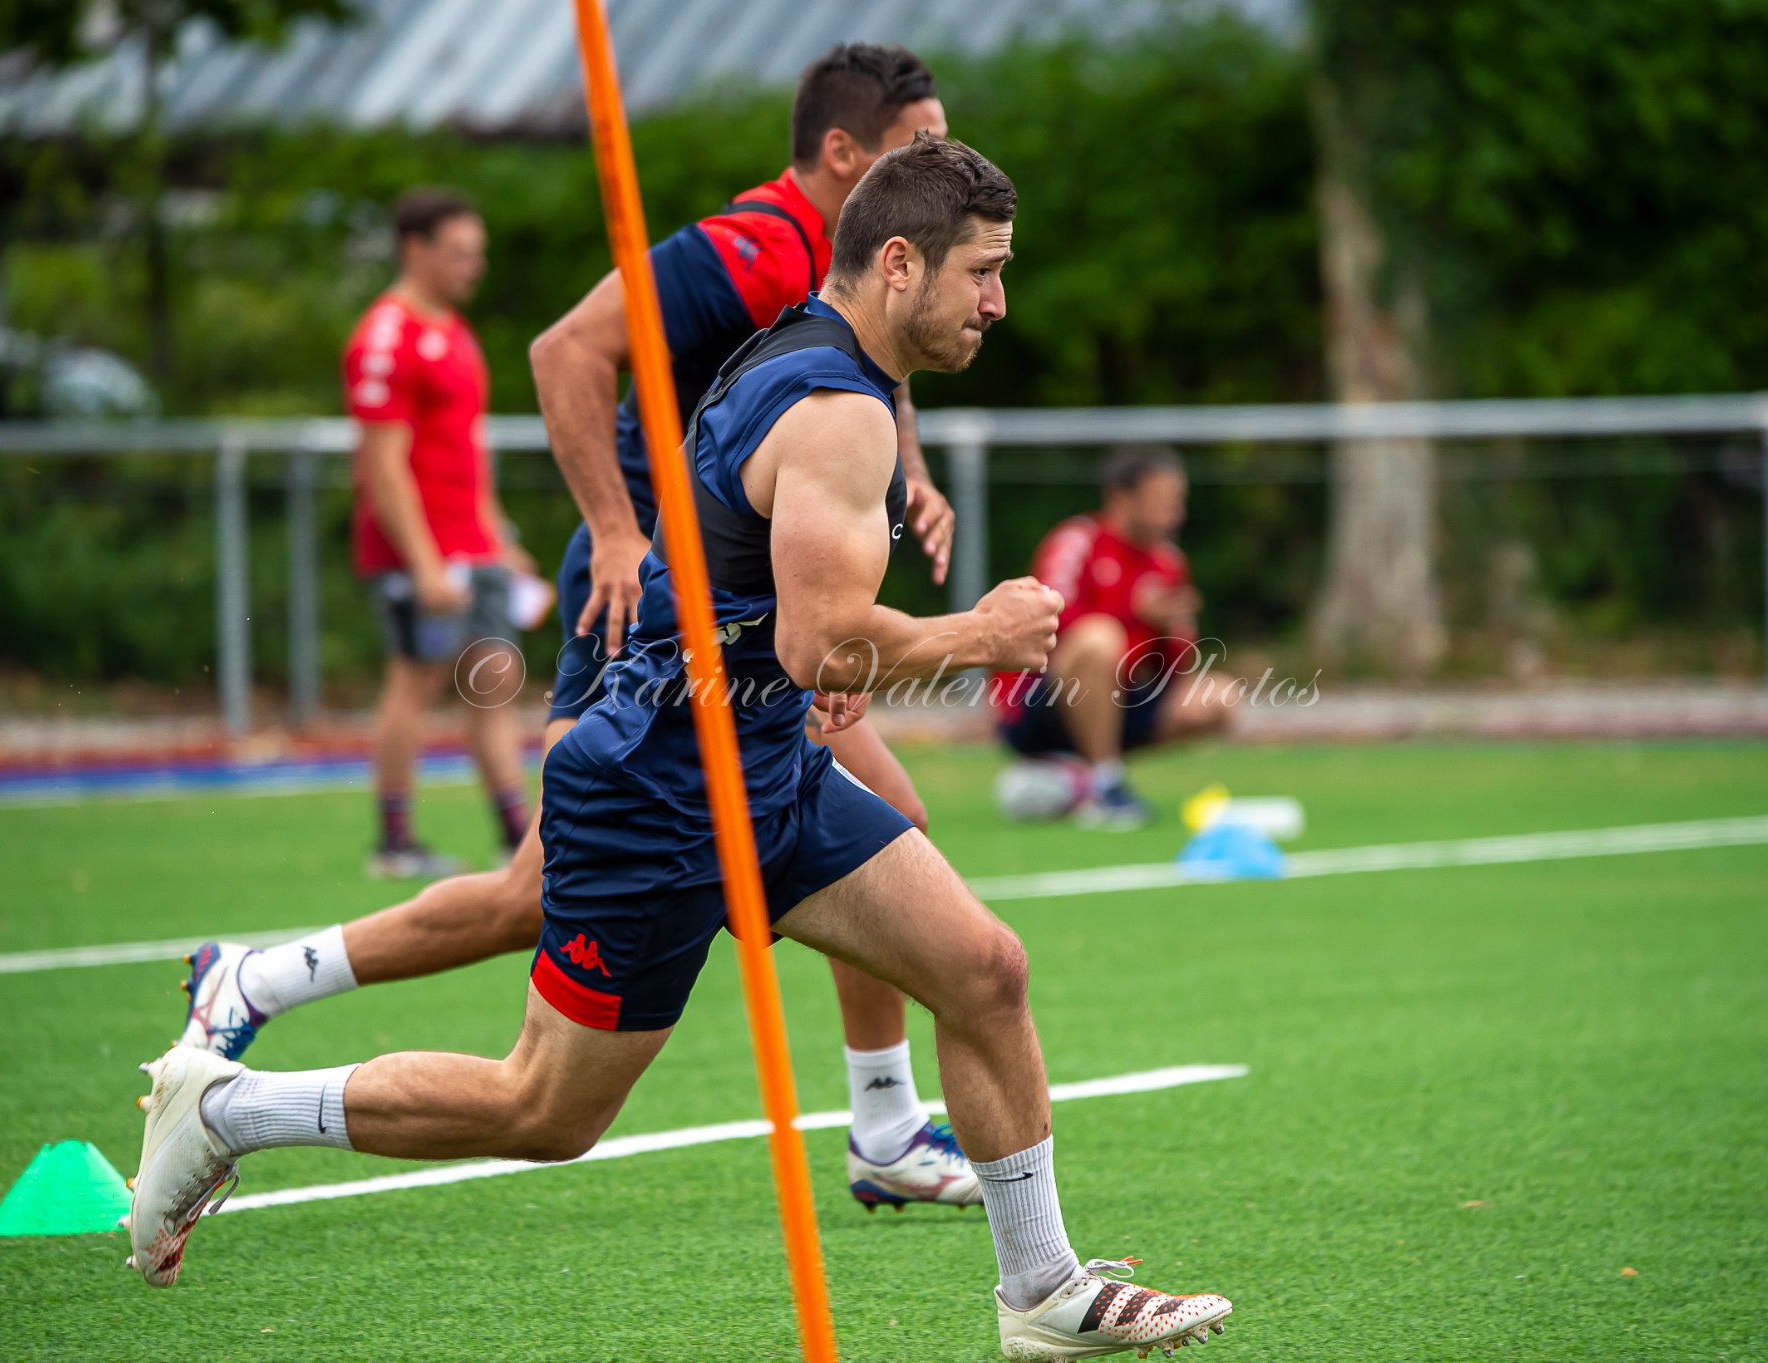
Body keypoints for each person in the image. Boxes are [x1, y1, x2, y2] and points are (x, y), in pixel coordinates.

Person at [130, 136, 1232, 1361]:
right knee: (544, 1109)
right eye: (981, 272)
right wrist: (982, 629)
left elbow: (761, 605)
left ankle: (1042, 1289)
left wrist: (781, 665)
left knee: (983, 968)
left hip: (760, 764)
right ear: (901, 260)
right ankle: (230, 1109)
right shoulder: (835, 412)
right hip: (659, 789)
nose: (996, 303)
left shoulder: (806, 361)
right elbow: (824, 640)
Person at [175, 46, 974, 1212]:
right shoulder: (753, 245)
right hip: (657, 617)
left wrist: (902, 474)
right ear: (845, 156)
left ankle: (256, 974)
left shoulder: (849, 271)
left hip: (738, 624)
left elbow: (865, 379)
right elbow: (566, 350)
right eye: (917, 146)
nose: (939, 168)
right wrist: (612, 529)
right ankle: (885, 1121)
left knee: (554, 891)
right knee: (579, 914)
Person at [345, 187, 536, 879]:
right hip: (420, 554)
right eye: (458, 253)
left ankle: (516, 833)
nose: (472, 267)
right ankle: (393, 839)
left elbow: (467, 449)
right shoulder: (385, 336)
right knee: (416, 680)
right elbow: (383, 464)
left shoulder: (454, 332)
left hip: (472, 546)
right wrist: (423, 561)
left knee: (493, 680)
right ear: (413, 249)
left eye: (476, 254)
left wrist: (498, 535)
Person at [992, 446, 1235, 828]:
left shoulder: (1168, 561)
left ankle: (1075, 776)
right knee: (1099, 638)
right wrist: (1135, 612)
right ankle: (1106, 784)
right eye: (1164, 502)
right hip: (1044, 697)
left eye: (1177, 502)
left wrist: (1172, 631)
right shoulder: (1079, 540)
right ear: (1123, 499)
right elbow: (1050, 625)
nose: (1176, 515)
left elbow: (1174, 671)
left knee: (1219, 697)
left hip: (1122, 699)